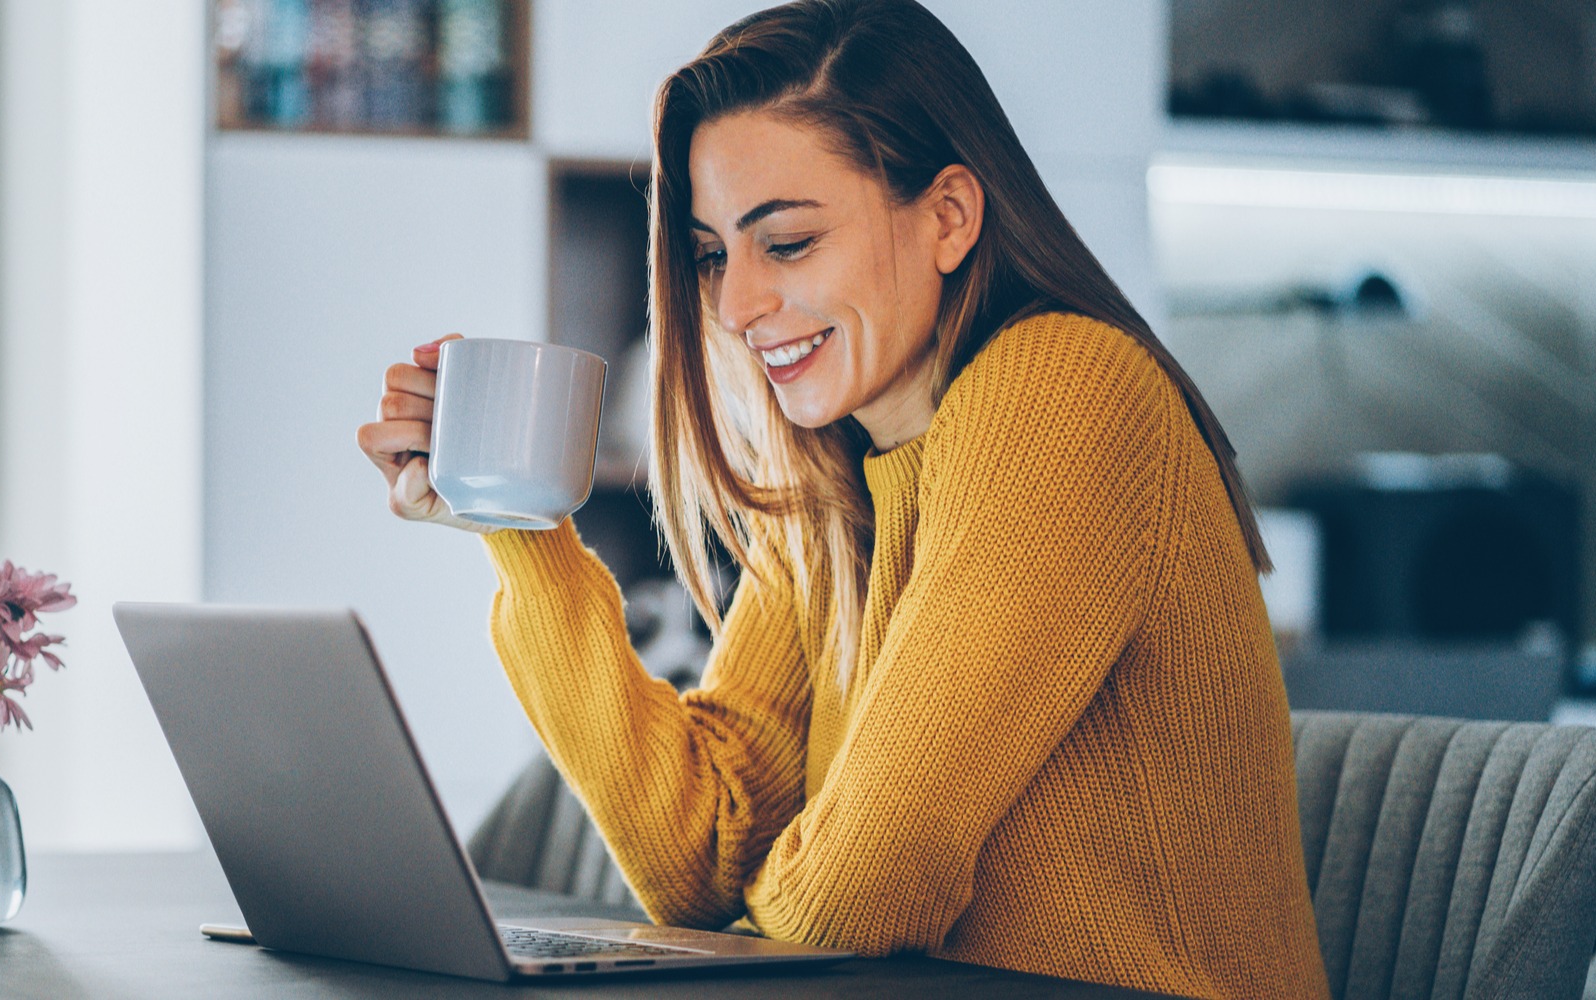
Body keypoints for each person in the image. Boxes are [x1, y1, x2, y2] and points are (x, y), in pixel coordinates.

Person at [355, 1, 1326, 996]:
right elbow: (699, 857)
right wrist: (518, 522)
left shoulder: (1065, 386)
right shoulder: (840, 473)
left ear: (948, 215)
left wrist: (757, 916)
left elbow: (862, 892)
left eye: (785, 244)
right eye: (711, 254)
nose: (734, 307)